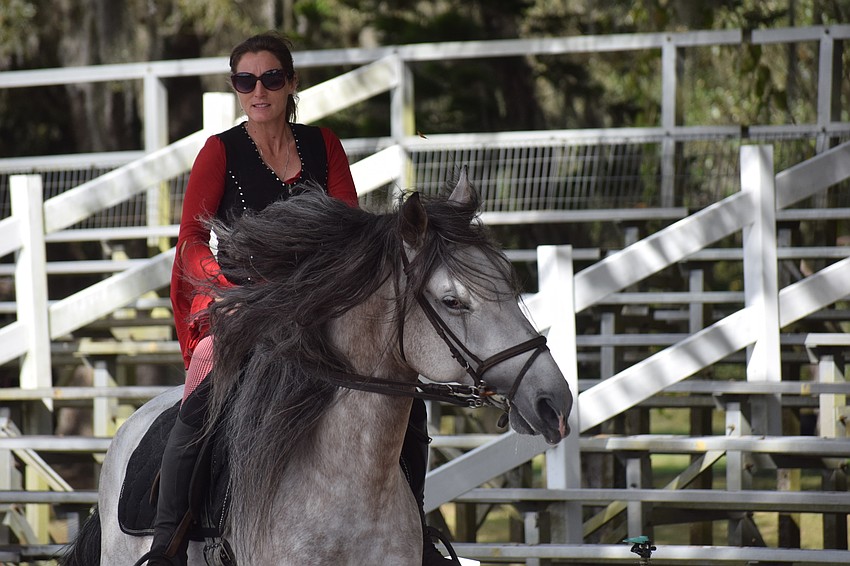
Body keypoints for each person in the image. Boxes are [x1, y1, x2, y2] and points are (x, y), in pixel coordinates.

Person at [141, 32, 456, 566]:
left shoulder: (323, 145)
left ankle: (415, 530)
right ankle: (167, 543)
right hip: (244, 306)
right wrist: (225, 289)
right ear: (236, 88)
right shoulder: (219, 151)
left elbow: (349, 232)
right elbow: (192, 242)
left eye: (269, 79)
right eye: (245, 81)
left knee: (406, 395)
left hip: (318, 307)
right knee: (204, 389)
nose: (257, 91)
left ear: (291, 83)